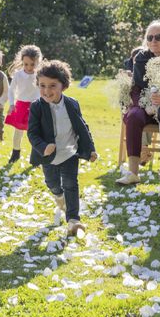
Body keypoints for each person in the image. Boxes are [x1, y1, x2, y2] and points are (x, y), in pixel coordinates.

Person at [27, 60, 97, 236]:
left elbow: (82, 127)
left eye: (52, 86)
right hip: (49, 155)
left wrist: (90, 149)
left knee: (71, 184)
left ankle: (73, 220)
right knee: (52, 183)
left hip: (69, 152)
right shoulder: (37, 107)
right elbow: (32, 133)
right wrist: (43, 147)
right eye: (42, 85)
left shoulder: (72, 104)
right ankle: (58, 196)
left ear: (63, 86)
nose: (47, 91)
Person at [115, 20, 160, 185]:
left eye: (158, 37)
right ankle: (133, 172)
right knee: (133, 116)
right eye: (150, 37)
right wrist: (146, 105)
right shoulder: (141, 57)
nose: (153, 40)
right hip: (144, 105)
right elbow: (138, 86)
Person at [5, 44, 42, 163]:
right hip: (21, 105)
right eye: (26, 64)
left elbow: (44, 90)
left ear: (38, 62)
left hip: (36, 106)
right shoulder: (18, 74)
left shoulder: (40, 75)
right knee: (18, 131)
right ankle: (16, 153)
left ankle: (35, 157)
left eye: (33, 64)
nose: (29, 67)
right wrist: (11, 104)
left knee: (35, 132)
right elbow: (11, 90)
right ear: (22, 61)